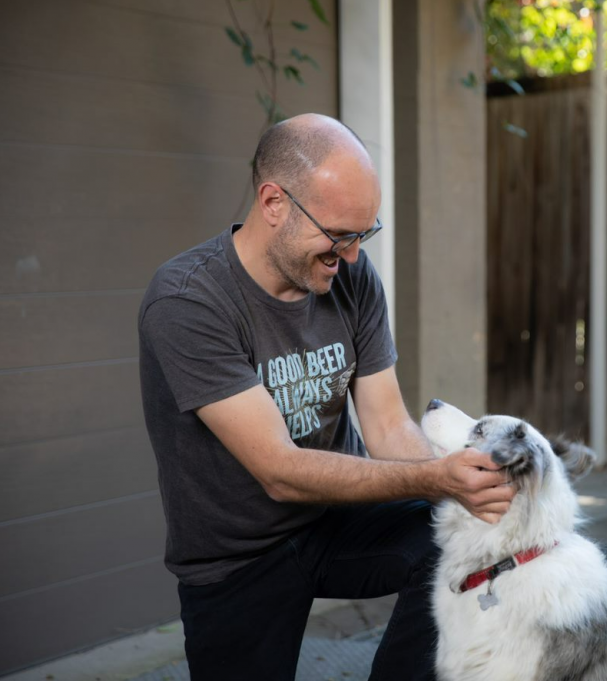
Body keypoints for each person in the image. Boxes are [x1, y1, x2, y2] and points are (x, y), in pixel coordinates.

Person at [138, 113, 513, 681]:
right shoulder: (189, 301)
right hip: (236, 560)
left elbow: (387, 428)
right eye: (340, 234)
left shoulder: (351, 280)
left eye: (364, 234)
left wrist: (464, 482)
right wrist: (438, 478)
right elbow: (280, 472)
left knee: (461, 538)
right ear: (273, 203)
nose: (354, 255)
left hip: (336, 521)